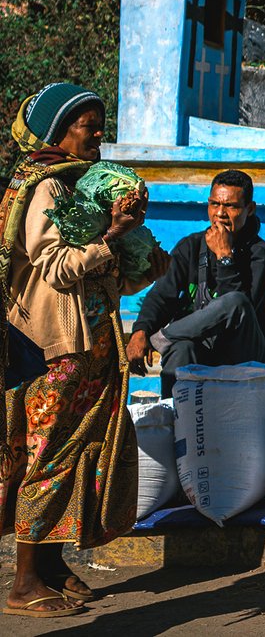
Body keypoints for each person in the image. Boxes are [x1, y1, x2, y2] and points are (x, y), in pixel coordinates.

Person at [2, 83, 168, 618]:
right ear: (57, 132)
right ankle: (24, 580)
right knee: (47, 453)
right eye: (86, 124)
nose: (98, 133)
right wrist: (111, 235)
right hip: (54, 349)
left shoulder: (81, 187)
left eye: (100, 122)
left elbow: (98, 283)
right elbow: (54, 267)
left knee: (76, 453)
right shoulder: (43, 189)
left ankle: (49, 567)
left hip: (93, 345)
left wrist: (139, 266)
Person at [129, 169, 265, 397]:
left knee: (236, 301)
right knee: (181, 349)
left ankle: (165, 337)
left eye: (231, 206)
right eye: (214, 204)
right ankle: (177, 420)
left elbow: (241, 311)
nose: (220, 213)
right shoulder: (191, 246)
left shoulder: (261, 253)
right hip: (201, 346)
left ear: (250, 209)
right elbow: (162, 295)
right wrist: (140, 331)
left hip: (242, 353)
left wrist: (225, 256)